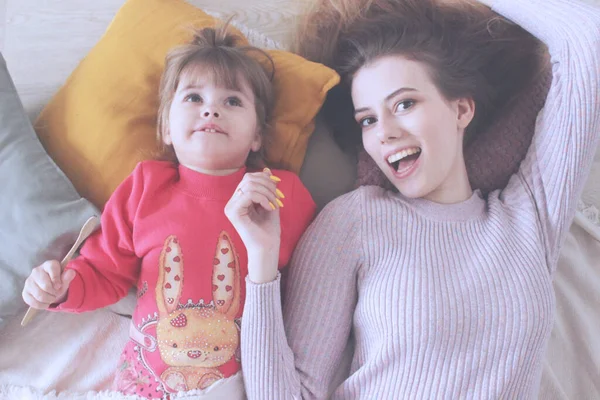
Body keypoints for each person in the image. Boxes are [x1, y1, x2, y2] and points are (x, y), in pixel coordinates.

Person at [236, 0, 600, 398]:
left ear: (461, 109)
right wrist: (262, 263)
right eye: (368, 120)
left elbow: (588, 39)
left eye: (404, 104)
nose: (384, 133)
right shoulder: (356, 219)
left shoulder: (530, 215)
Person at [21, 24, 316, 399]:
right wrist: (61, 288)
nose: (211, 108)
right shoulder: (146, 187)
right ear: (166, 128)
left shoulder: (281, 193)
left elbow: (317, 288)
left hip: (247, 385)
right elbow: (103, 270)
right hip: (145, 386)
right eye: (194, 98)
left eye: (233, 101)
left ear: (258, 135)